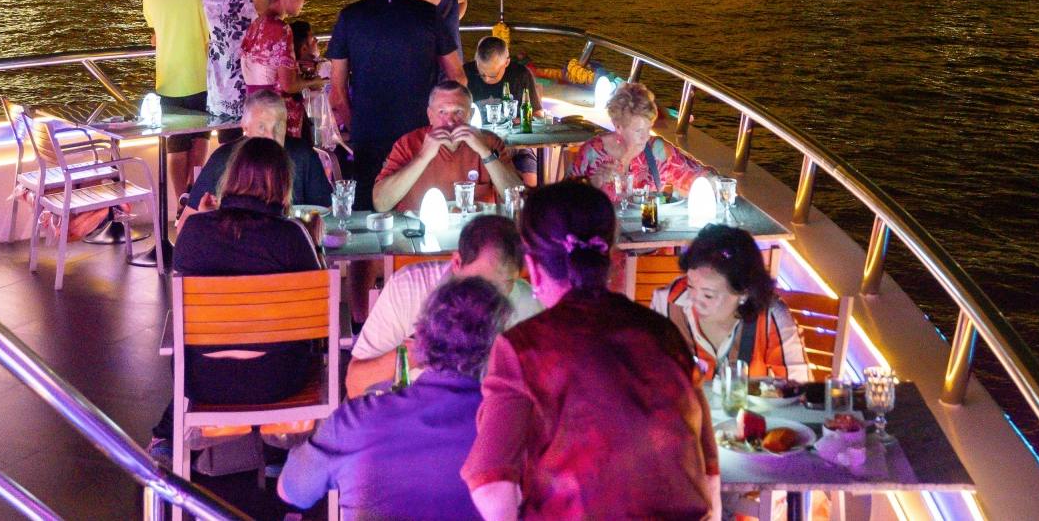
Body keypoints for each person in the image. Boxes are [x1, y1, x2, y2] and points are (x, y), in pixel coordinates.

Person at [462, 179, 719, 521]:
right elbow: (709, 477)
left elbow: (491, 486)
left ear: (534, 267)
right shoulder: (664, 334)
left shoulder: (524, 348)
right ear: (611, 258)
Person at [150, 137, 324, 458]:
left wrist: (204, 219)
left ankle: (171, 436)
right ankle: (281, 454)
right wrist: (311, 242)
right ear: (282, 183)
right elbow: (321, 316)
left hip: (204, 382)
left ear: (229, 178)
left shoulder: (193, 231)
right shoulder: (291, 236)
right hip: (279, 380)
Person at [281, 276, 509, 520]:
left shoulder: (354, 423)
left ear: (420, 340)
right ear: (496, 346)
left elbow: (292, 491)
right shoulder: (518, 428)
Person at [347, 214, 542, 394]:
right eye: (481, 284)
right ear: (457, 263)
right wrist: (419, 351)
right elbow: (356, 384)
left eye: (506, 284)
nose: (489, 299)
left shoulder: (529, 305)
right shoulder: (410, 287)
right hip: (416, 418)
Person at [327, 0, 465, 192]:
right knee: (422, 204)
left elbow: (337, 94)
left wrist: (359, 130)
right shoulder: (427, 14)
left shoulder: (350, 17)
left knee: (373, 205)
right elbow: (457, 76)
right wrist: (441, 124)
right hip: (421, 133)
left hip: (369, 136)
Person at [649, 224, 809, 386]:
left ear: (743, 293)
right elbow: (648, 373)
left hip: (751, 410)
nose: (693, 299)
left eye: (708, 294)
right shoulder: (667, 304)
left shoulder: (771, 316)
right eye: (690, 285)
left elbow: (798, 389)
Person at [373, 81, 523, 213]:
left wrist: (485, 153)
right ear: (430, 115)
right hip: (418, 233)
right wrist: (422, 157)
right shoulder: (407, 144)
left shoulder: (489, 142)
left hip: (474, 232)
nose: (450, 121)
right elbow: (380, 204)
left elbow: (519, 201)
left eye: (458, 112)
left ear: (470, 115)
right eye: (442, 112)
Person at [183, 89, 332, 217]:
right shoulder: (224, 159)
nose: (271, 136)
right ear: (245, 127)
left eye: (278, 127)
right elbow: (187, 223)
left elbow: (327, 211)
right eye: (262, 128)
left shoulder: (302, 155)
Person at [142, 0, 211, 193]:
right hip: (201, 77)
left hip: (168, 79)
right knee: (200, 137)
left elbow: (156, 29)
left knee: (176, 145)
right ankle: (195, 193)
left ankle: (181, 197)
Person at [568, 81, 706, 200]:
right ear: (618, 127)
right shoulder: (592, 153)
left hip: (647, 227)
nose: (645, 137)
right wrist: (592, 185)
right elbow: (563, 201)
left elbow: (698, 176)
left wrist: (719, 185)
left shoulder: (658, 151)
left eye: (649, 128)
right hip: (604, 229)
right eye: (638, 131)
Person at [240, 0, 311, 137]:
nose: (304, 1)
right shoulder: (281, 29)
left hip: (255, 115)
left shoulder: (255, 25)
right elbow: (289, 84)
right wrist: (314, 82)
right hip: (277, 119)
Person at [202, 0, 257, 122]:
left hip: (219, 85)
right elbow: (279, 14)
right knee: (248, 140)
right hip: (245, 81)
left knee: (226, 138)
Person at [464, 35, 539, 109]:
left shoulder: (521, 75)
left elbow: (537, 113)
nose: (487, 79)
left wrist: (518, 121)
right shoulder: (464, 73)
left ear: (506, 62)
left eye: (493, 75)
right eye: (481, 74)